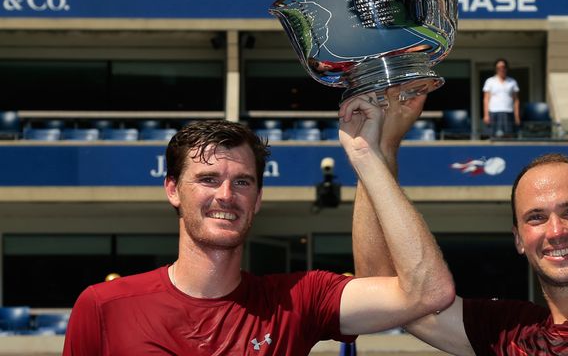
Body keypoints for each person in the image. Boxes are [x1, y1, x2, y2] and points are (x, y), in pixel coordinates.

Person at [63, 114, 455, 355]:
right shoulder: (103, 307)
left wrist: (371, 153)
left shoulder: (298, 300)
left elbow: (427, 292)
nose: (226, 195)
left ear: (259, 198)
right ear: (172, 189)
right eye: (208, 179)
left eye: (243, 182)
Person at [353, 117, 568, 356]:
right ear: (519, 239)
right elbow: (381, 293)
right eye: (536, 218)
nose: (555, 232)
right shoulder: (509, 332)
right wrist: (375, 151)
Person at [482, 58, 520, 138]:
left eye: (503, 67)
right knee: (493, 136)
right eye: (498, 68)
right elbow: (486, 99)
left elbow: (516, 100)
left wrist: (517, 116)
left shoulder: (512, 82)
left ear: (506, 68)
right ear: (495, 69)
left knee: (509, 136)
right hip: (493, 112)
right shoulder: (490, 81)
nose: (501, 69)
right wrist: (486, 115)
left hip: (508, 112)